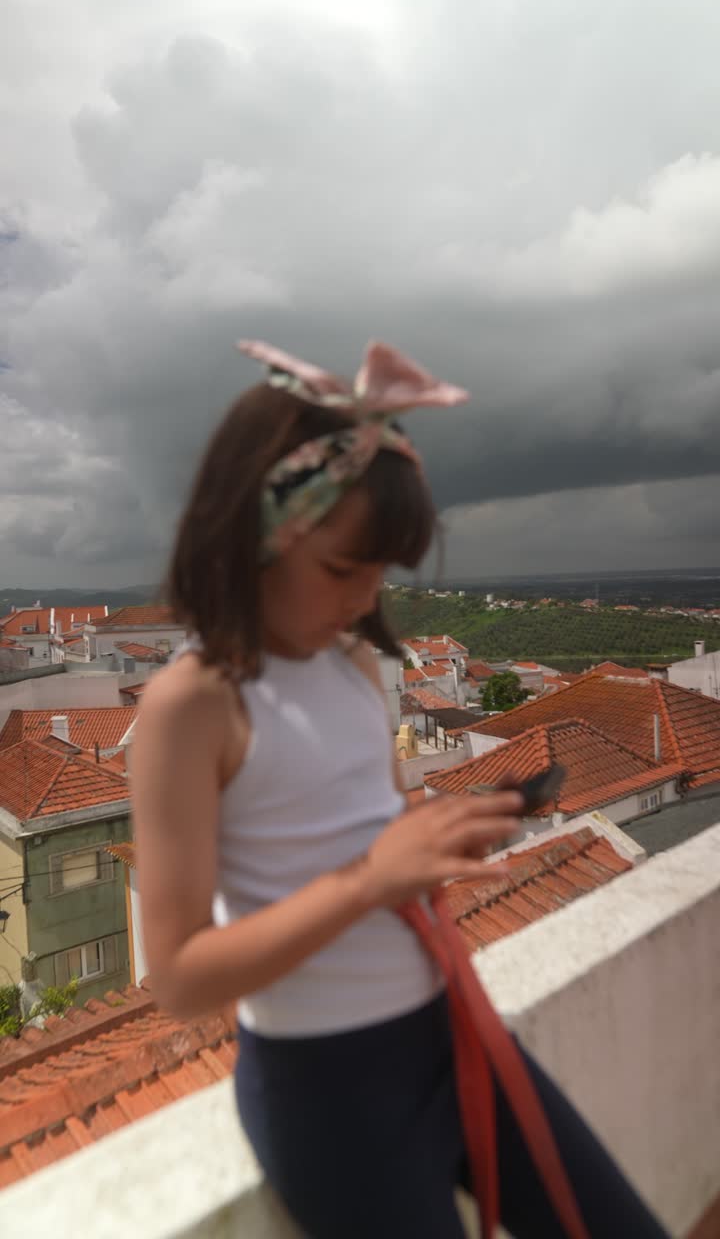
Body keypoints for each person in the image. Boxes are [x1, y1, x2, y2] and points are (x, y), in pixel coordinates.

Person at [131, 340, 669, 1239]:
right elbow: (181, 977)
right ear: (252, 532)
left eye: (381, 571)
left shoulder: (351, 667)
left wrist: (441, 837)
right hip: (329, 1092)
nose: (366, 597)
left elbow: (373, 841)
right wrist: (372, 879)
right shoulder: (191, 706)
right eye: (344, 569)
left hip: (446, 1027)